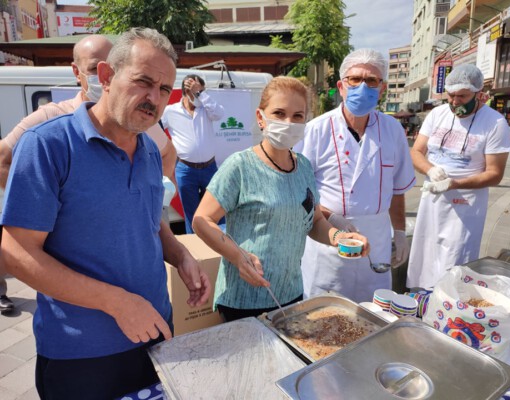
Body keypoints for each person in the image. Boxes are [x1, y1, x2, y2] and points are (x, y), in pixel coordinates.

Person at [0, 28, 211, 399]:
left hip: (155, 334)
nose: (154, 98)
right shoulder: (48, 144)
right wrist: (117, 303)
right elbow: (16, 254)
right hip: (82, 355)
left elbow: (148, 218)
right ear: (107, 76)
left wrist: (180, 255)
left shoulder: (147, 148)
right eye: (143, 81)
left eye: (164, 89)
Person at [192, 76, 369, 322]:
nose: (288, 122)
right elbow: (202, 220)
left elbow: (314, 220)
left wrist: (340, 238)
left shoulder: (304, 167)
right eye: (279, 113)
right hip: (244, 298)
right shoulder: (240, 166)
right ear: (260, 117)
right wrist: (237, 256)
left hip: (291, 294)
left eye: (297, 116)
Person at [293, 48, 416, 303]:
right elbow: (298, 192)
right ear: (341, 86)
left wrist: (401, 233)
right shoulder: (316, 130)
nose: (363, 86)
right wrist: (332, 217)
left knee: (373, 313)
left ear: (382, 89)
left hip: (377, 240)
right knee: (324, 315)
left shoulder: (393, 130)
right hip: (329, 237)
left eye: (371, 80)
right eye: (355, 79)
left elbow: (397, 189)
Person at [0, 34, 178, 190]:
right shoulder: (51, 119)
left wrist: (147, 192)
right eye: (94, 68)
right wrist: (43, 204)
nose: (105, 77)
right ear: (77, 72)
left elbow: (168, 153)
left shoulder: (135, 117)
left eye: (113, 68)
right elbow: (2, 159)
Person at [407, 64, 510, 290]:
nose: (455, 102)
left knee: (454, 257)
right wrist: (430, 170)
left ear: (479, 94)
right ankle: (420, 299)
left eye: (462, 97)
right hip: (432, 200)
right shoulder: (437, 114)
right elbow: (416, 152)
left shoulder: (494, 123)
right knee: (425, 250)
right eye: (451, 96)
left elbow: (495, 174)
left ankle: (448, 303)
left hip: (465, 204)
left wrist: (455, 184)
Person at [162, 74, 224, 233]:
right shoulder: (170, 111)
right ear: (184, 92)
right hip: (185, 169)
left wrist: (200, 94)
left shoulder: (207, 109)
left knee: (216, 210)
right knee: (191, 214)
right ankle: (197, 249)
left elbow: (220, 114)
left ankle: (221, 244)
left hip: (209, 168)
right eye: (194, 92)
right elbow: (154, 129)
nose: (197, 96)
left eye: (200, 92)